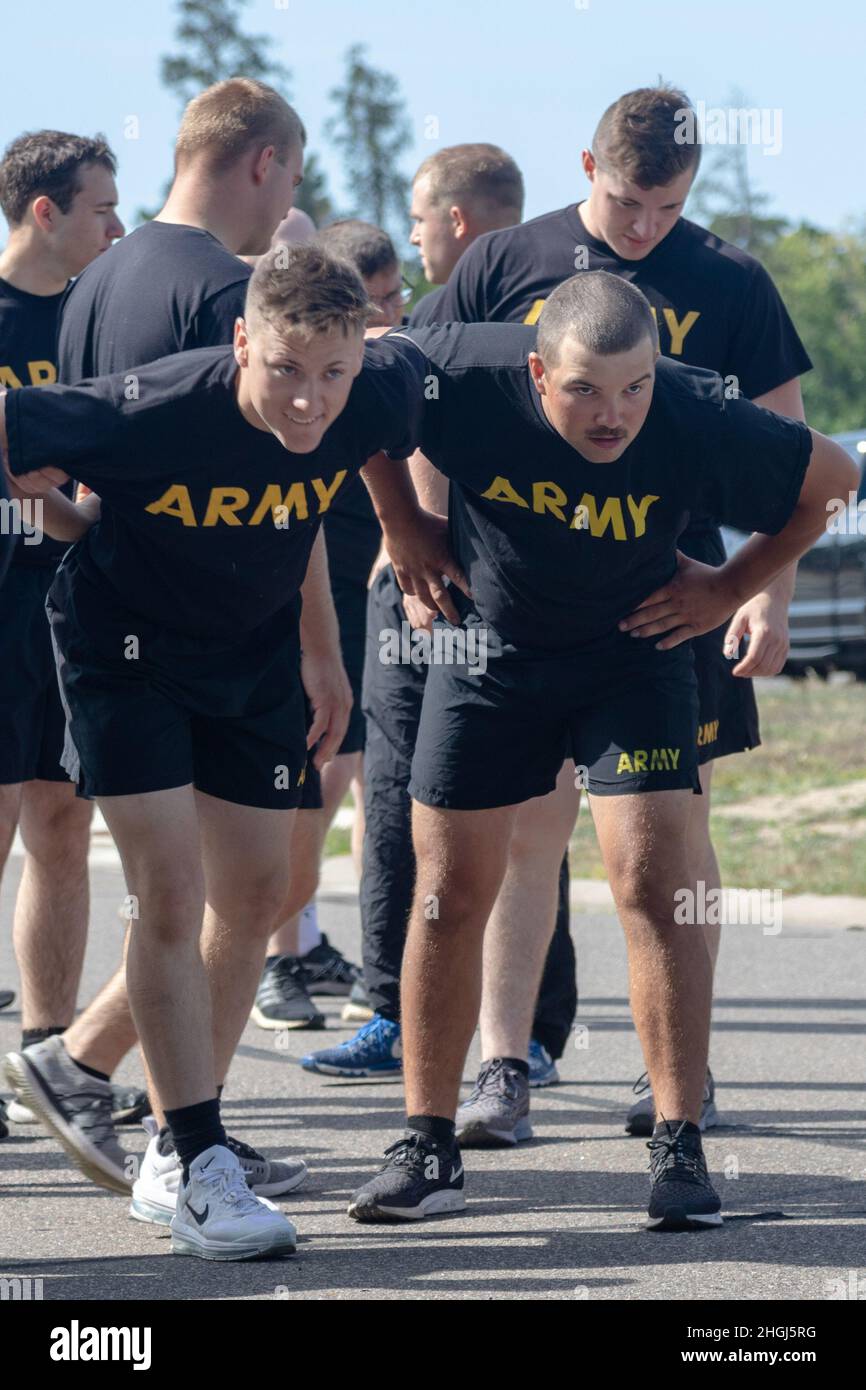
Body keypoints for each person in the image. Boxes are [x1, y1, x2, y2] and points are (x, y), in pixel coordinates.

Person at [345, 272, 855, 1229]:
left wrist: (732, 584)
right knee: (449, 894)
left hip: (636, 654)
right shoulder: (457, 371)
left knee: (655, 888)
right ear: (537, 372)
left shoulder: (697, 409)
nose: (612, 414)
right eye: (583, 390)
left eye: (633, 388)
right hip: (489, 650)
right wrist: (402, 521)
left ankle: (676, 1143)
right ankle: (426, 1140)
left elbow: (835, 486)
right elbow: (356, 393)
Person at [1, 241, 445, 1259]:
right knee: (171, 889)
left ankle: (146, 1125)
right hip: (127, 658)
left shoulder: (370, 392)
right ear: (243, 339)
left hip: (251, 661)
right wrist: (64, 518)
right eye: (284, 368)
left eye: (332, 372)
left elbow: (319, 502)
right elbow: (14, 427)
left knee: (256, 894)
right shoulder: (145, 407)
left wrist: (324, 656)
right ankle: (197, 1159)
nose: (308, 400)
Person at [424, 85, 811, 1143]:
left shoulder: (727, 278)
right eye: (631, 203)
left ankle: (673, 1075)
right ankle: (506, 1064)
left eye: (668, 208)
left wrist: (751, 594)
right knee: (524, 831)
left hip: (664, 603)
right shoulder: (506, 261)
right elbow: (415, 393)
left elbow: (792, 450)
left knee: (666, 847)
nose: (646, 228)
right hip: (517, 593)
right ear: (588, 171)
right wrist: (413, 537)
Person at [1, 80, 321, 1211]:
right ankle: (160, 1121)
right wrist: (321, 651)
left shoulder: (100, 281)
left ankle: (144, 1103)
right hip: (195, 632)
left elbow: (77, 469)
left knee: (213, 886)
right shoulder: (231, 296)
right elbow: (289, 492)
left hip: (99, 603)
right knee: (213, 893)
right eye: (295, 170)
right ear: (265, 165)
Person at [302, 145, 573, 1086]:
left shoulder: (553, 327)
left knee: (516, 816)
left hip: (496, 599)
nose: (414, 238)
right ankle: (407, 1010)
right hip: (421, 588)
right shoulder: (434, 323)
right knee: (410, 799)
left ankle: (513, 1031)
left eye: (420, 221)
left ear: (457, 221)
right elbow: (384, 410)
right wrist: (403, 529)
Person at [0, 130, 129, 1126]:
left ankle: (50, 1057)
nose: (116, 226)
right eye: (98, 208)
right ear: (44, 212)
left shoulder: (105, 313)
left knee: (60, 822)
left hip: (73, 599)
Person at [253, 220, 410, 1032]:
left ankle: (302, 937)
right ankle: (276, 954)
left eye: (394, 297)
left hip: (365, 585)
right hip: (308, 592)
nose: (388, 317)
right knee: (307, 783)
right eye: (372, 301)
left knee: (346, 781)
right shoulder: (304, 382)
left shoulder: (377, 376)